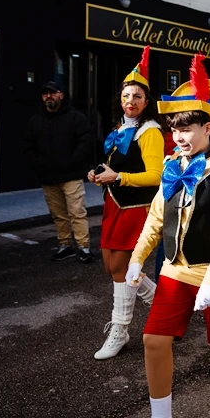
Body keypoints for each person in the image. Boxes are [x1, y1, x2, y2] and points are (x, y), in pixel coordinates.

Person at [120, 54, 210, 418]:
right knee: (153, 339)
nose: (178, 136)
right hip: (176, 269)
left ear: (208, 128)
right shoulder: (172, 166)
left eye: (186, 128)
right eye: (174, 129)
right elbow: (157, 217)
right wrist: (137, 258)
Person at [87, 46, 164, 360]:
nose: (130, 101)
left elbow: (156, 175)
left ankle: (120, 330)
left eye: (137, 96)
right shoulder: (120, 129)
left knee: (121, 268)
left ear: (146, 102)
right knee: (111, 267)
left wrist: (118, 177)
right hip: (114, 205)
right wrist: (99, 174)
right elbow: (115, 166)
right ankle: (163, 304)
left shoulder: (150, 131)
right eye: (126, 96)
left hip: (136, 209)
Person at [23, 80, 95, 262]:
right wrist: (38, 164)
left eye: (53, 92)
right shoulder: (35, 121)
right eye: (45, 93)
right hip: (48, 177)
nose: (49, 96)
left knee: (77, 212)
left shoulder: (75, 117)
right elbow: (28, 147)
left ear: (61, 95)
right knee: (58, 215)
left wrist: (73, 161)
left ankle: (84, 247)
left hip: (71, 176)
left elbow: (86, 141)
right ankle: (65, 246)